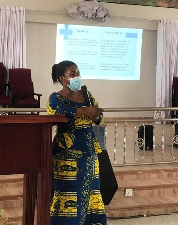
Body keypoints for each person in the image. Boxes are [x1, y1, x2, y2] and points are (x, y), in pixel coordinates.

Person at [46, 60, 107, 225]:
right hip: (66, 152)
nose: (77, 77)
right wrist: (83, 111)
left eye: (78, 73)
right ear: (62, 78)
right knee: (68, 192)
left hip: (88, 150)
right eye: (72, 74)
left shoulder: (87, 95)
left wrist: (94, 115)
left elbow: (99, 119)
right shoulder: (55, 97)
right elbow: (55, 112)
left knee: (91, 190)